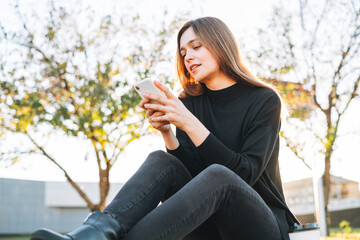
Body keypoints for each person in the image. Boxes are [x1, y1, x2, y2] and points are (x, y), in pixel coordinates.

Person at [30, 16, 299, 240]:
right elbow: (193, 178)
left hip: (262, 225)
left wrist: (188, 122)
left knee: (220, 175)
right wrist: (168, 133)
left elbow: (244, 173)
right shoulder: (189, 102)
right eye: (183, 53)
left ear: (220, 44)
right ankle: (92, 234)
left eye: (196, 47)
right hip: (209, 224)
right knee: (162, 159)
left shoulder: (263, 99)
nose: (188, 58)